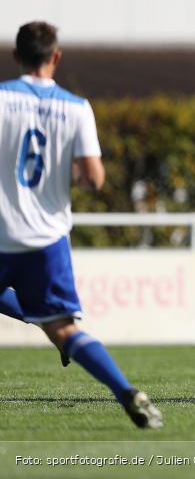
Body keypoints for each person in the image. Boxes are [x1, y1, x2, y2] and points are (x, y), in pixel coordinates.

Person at [0, 21, 162, 428]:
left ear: (16, 55)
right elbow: (94, 178)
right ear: (56, 57)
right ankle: (127, 391)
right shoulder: (76, 107)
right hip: (49, 239)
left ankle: (35, 318)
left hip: (2, 231)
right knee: (65, 329)